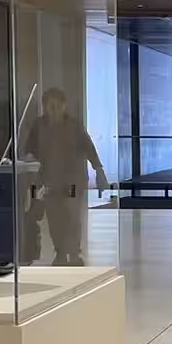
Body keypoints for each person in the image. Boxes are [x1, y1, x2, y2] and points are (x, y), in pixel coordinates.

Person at [17, 87, 108, 266]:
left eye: (57, 106)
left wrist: (98, 169)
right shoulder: (38, 126)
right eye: (50, 106)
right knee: (54, 218)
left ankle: (74, 253)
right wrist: (29, 159)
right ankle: (60, 252)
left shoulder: (74, 126)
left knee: (72, 216)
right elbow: (29, 149)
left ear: (64, 106)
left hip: (73, 181)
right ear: (45, 108)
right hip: (49, 181)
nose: (54, 110)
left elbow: (88, 147)